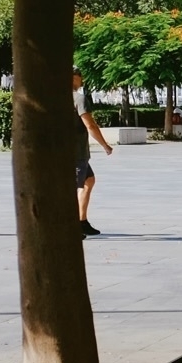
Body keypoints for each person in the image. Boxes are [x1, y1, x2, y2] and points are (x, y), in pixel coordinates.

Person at [71, 67, 114, 237]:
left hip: (66, 150)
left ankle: (82, 221)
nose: (82, 80)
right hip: (75, 152)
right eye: (80, 77)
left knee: (89, 180)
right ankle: (73, 225)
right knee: (74, 188)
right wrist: (105, 145)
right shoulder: (79, 98)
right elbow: (90, 125)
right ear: (74, 78)